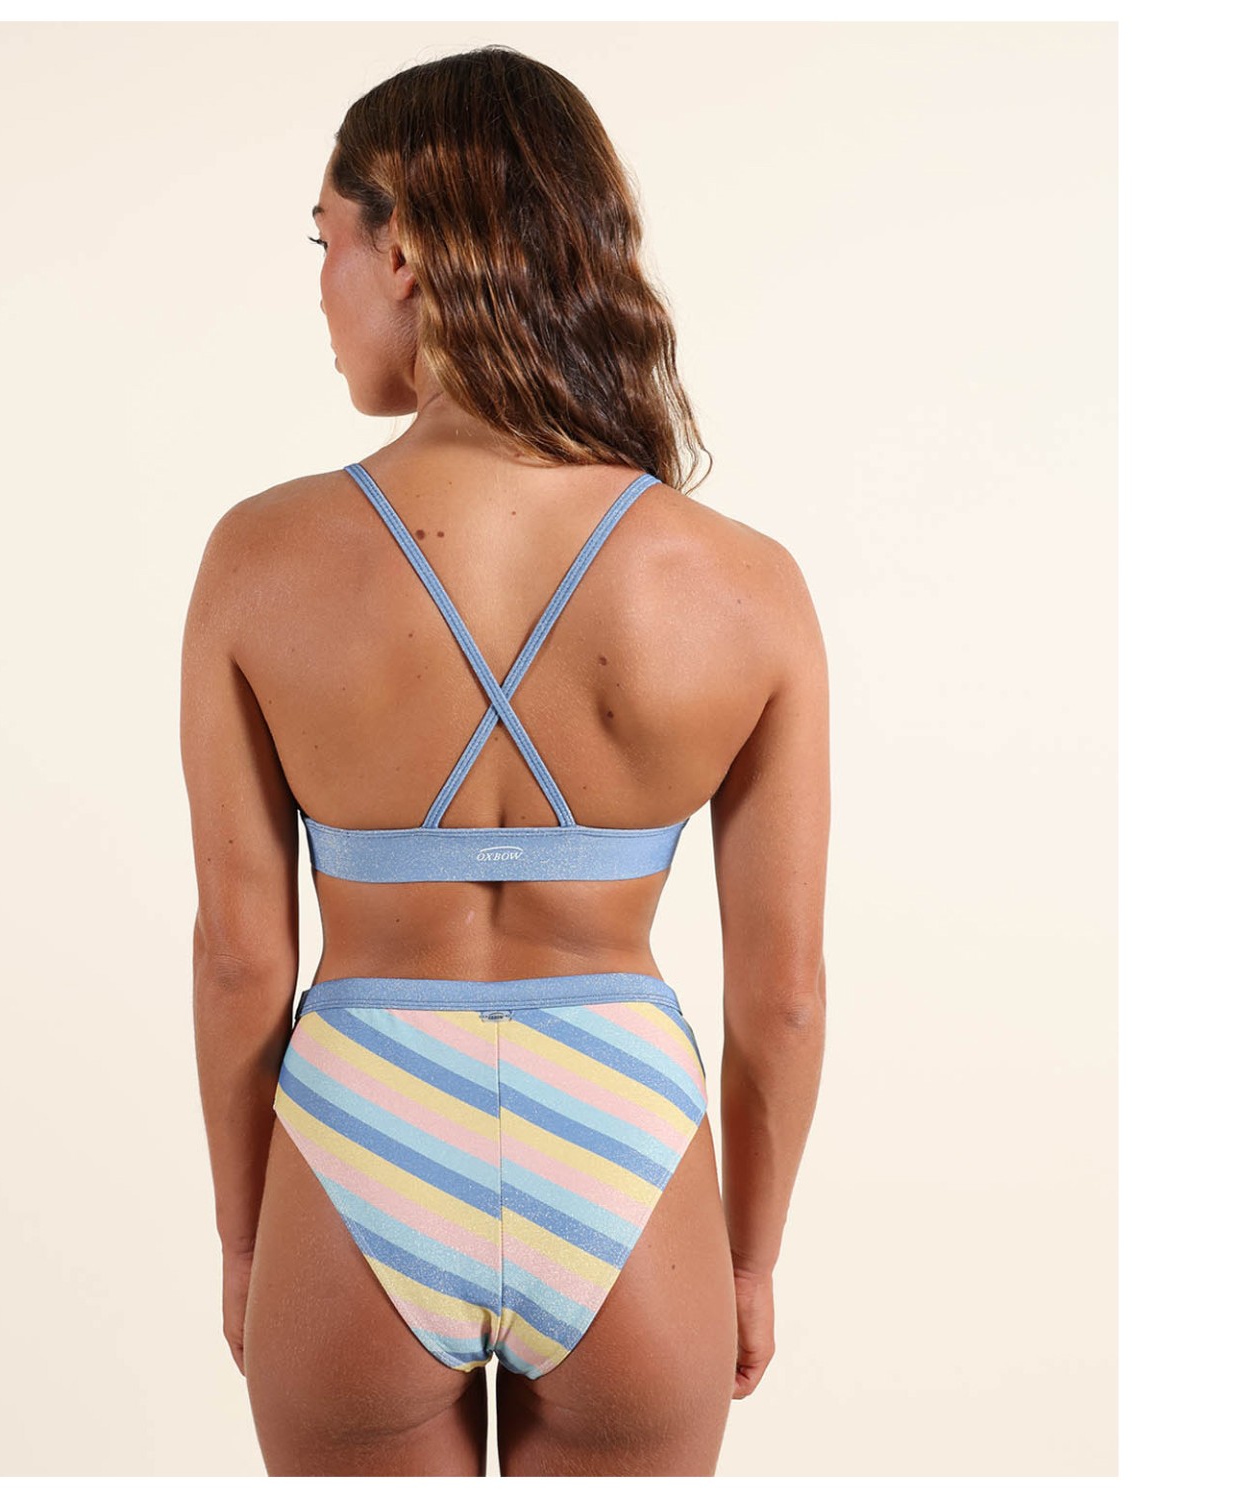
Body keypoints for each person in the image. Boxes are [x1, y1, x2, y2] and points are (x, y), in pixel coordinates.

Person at [180, 44, 829, 1478]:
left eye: (326, 243)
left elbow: (238, 962)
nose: (322, 288)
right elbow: (782, 994)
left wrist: (246, 1238)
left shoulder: (260, 558)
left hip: (361, 1128)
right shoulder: (745, 586)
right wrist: (746, 1262)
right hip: (622, 1143)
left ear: (403, 250)